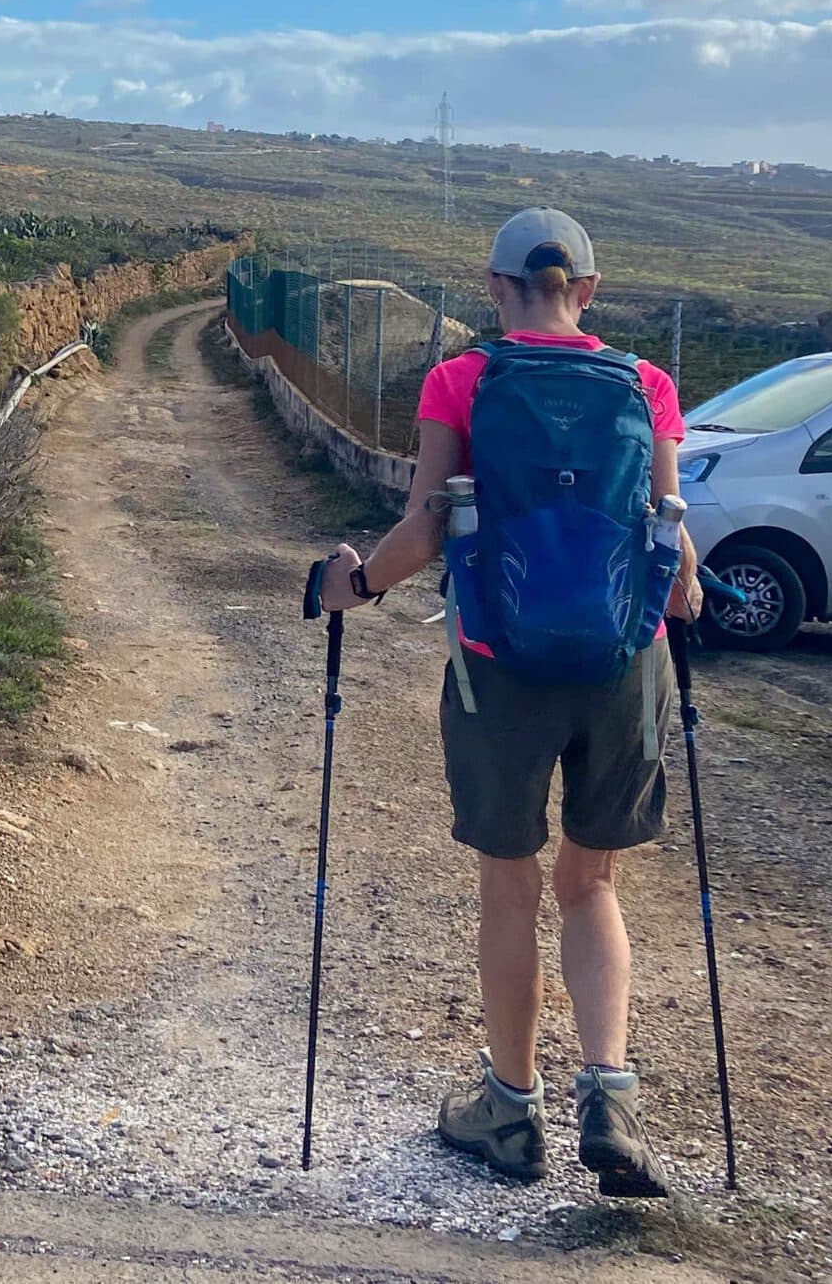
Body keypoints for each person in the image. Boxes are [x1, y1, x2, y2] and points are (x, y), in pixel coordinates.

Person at [317, 207, 700, 1196]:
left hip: (499, 662)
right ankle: (608, 1096)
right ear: (590, 289)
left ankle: (510, 1108)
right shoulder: (646, 385)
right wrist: (686, 594)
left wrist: (350, 584)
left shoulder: (464, 380)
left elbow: (424, 530)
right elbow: (672, 544)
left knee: (510, 881)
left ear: (493, 289)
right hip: (625, 664)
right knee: (593, 885)